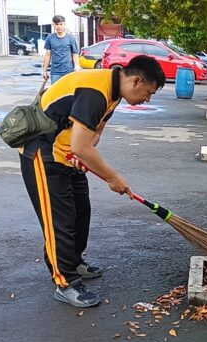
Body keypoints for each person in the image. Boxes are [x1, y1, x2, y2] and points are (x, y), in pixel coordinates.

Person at [19, 55, 166, 307]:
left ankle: (73, 261)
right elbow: (81, 144)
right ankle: (65, 282)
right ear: (136, 81)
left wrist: (81, 155)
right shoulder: (96, 90)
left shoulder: (113, 93)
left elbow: (91, 138)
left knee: (80, 212)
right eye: (148, 93)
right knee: (60, 221)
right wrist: (113, 177)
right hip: (43, 155)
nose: (147, 99)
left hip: (66, 154)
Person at [43, 15, 80, 84]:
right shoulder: (50, 38)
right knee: (56, 93)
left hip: (69, 71)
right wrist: (44, 71)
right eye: (56, 24)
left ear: (64, 24)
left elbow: (74, 54)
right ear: (53, 25)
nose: (59, 26)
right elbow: (48, 55)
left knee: (69, 92)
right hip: (55, 72)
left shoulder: (70, 38)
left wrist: (77, 66)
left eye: (61, 24)